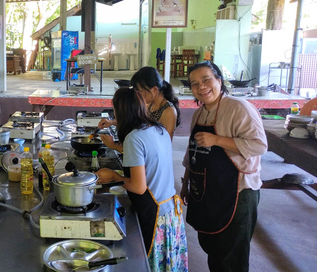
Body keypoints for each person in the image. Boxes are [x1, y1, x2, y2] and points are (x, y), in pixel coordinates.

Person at [180, 61, 267, 272]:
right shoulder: (200, 114)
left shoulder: (239, 108)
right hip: (209, 191)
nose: (201, 87)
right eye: (194, 83)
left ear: (219, 80)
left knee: (232, 258)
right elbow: (193, 152)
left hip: (238, 194)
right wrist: (186, 184)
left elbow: (259, 145)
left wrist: (217, 140)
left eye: (206, 79)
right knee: (212, 247)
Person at [96, 87, 188, 272]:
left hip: (156, 216)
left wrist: (113, 176)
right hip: (170, 213)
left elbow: (138, 187)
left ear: (119, 111)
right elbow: (146, 160)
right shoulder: (157, 128)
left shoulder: (133, 138)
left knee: (149, 266)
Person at [99, 66, 180, 152]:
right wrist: (111, 122)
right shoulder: (148, 104)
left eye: (140, 91)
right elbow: (136, 125)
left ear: (154, 90)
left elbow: (163, 147)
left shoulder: (169, 111)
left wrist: (114, 146)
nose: (137, 95)